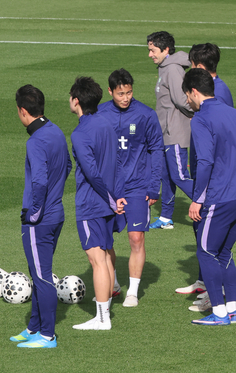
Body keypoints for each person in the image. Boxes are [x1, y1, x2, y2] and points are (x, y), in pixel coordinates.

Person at [9, 85, 71, 348]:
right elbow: (68, 166)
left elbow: (40, 181)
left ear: (23, 111)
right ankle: (34, 327)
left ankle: (47, 335)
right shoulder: (56, 131)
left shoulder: (35, 141)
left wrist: (34, 213)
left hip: (40, 220)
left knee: (42, 277)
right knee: (38, 273)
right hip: (56, 215)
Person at [98, 69, 163, 308]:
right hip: (109, 189)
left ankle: (133, 292)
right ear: (110, 91)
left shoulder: (146, 114)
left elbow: (157, 150)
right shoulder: (100, 114)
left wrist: (154, 186)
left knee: (136, 238)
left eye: (129, 92)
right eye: (120, 94)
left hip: (137, 186)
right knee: (105, 241)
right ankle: (113, 284)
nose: (125, 98)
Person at [69, 77, 126, 330]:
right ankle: (105, 309)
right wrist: (117, 196)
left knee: (97, 259)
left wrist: (112, 200)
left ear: (76, 101)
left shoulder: (80, 133)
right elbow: (117, 163)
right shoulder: (106, 124)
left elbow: (91, 173)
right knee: (104, 255)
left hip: (92, 203)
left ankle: (102, 318)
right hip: (108, 201)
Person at [182, 68, 236, 326]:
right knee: (224, 252)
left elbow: (204, 161)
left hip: (219, 196)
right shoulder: (233, 112)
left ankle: (220, 313)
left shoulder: (201, 119)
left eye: (187, 95)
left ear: (194, 92)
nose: (187, 101)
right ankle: (233, 309)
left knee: (205, 252)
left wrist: (197, 199)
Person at [146, 31, 193, 230]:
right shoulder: (165, 67)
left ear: (165, 49)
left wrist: (195, 114)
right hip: (165, 133)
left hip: (175, 132)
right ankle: (166, 217)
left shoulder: (173, 69)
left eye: (153, 50)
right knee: (166, 176)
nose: (150, 54)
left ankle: (213, 205)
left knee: (179, 176)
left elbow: (183, 101)